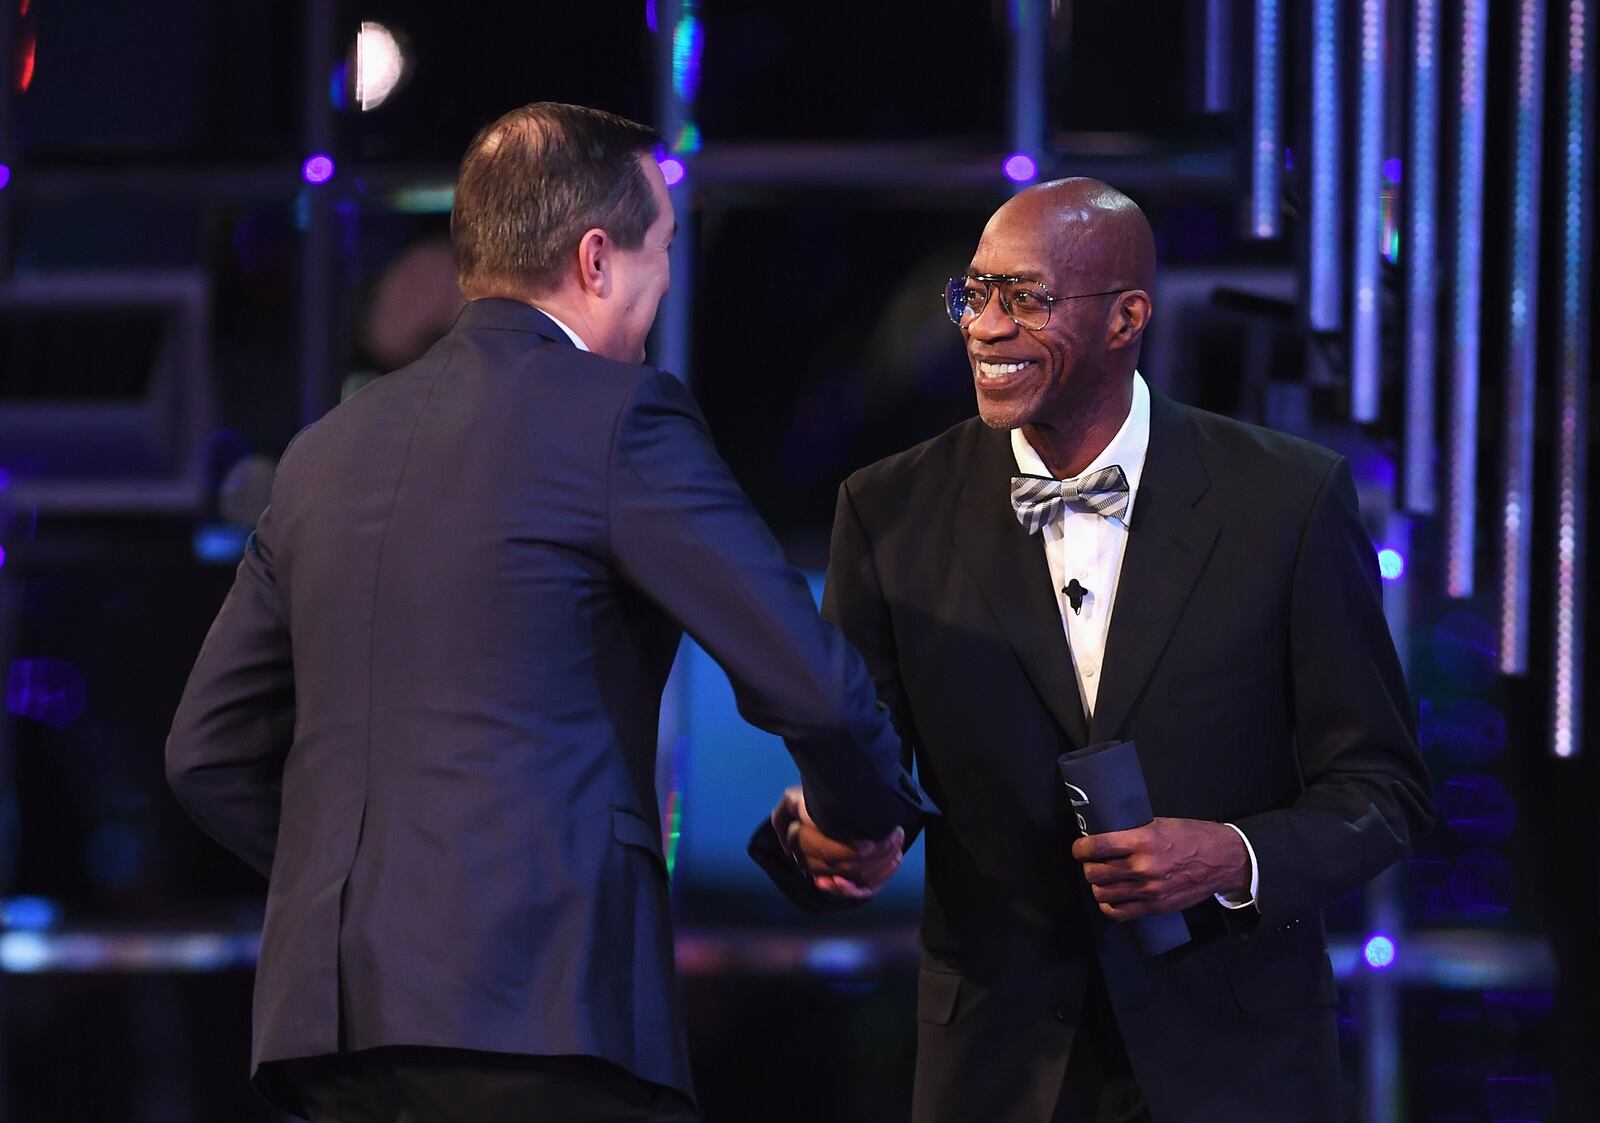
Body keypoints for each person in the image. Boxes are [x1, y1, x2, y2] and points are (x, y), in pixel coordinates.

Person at [166, 102, 928, 1123]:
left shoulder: (325, 449)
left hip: (336, 1030)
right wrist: (856, 823)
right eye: (661, 256)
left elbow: (203, 750)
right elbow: (814, 687)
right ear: (598, 259)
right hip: (539, 1008)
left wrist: (377, 885)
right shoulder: (619, 415)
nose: (661, 292)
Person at [752, 178, 1434, 1123]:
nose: (984, 328)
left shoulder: (1288, 500)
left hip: (1237, 1068)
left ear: (1126, 318)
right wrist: (826, 836)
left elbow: (1382, 791)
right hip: (999, 1068)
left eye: (1024, 298)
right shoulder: (888, 508)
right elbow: (867, 773)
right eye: (974, 294)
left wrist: (1231, 855)